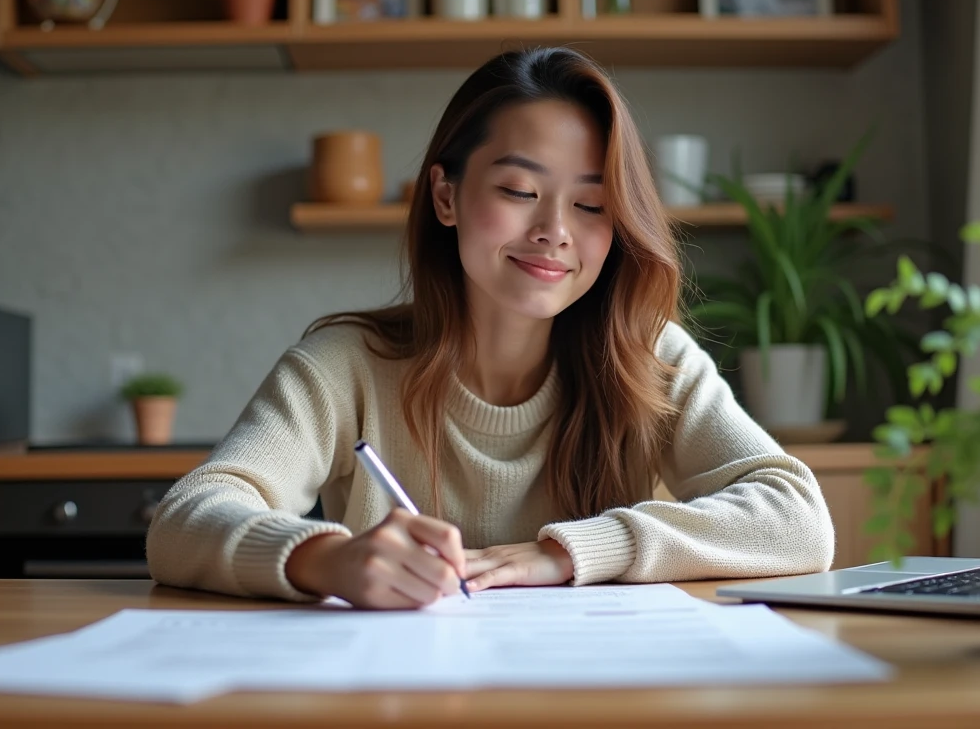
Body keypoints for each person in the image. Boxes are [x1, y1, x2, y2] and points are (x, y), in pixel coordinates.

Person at [146, 47, 835, 610]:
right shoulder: (344, 365)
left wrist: (568, 552)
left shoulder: (648, 357)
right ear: (445, 197)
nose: (555, 233)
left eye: (592, 204)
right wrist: (325, 559)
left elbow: (799, 519)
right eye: (518, 192)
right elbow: (184, 521)